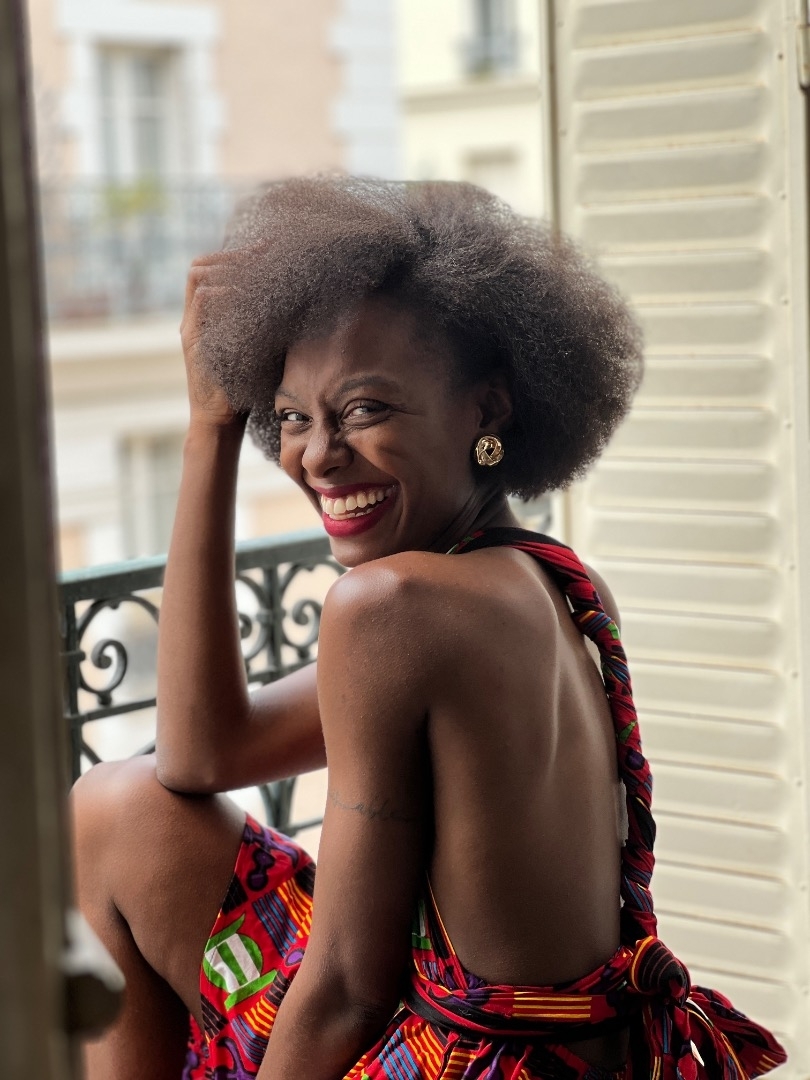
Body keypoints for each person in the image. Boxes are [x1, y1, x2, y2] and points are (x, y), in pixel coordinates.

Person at [70, 177, 787, 1080]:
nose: (319, 456)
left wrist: (204, 436)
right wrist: (213, 424)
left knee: (102, 818)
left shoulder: (389, 610)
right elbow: (202, 755)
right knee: (121, 806)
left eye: (365, 410)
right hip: (592, 1052)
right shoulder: (563, 582)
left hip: (473, 1063)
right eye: (289, 418)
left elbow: (347, 989)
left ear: (487, 410)